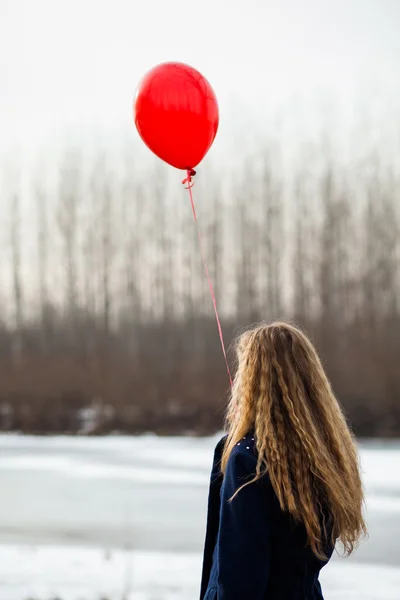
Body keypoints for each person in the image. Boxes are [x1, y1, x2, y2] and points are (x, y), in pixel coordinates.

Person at [200, 321, 367, 600]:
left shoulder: (248, 462)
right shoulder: (326, 455)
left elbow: (238, 581)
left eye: (245, 371)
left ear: (254, 382)